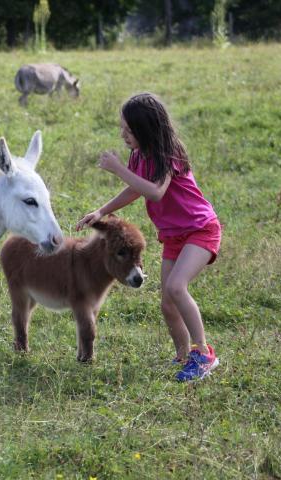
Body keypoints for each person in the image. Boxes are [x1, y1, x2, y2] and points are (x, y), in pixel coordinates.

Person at [75, 92, 222, 382]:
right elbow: (136, 189)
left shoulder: (169, 154)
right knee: (168, 303)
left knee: (177, 288)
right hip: (173, 235)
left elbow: (155, 191)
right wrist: (101, 211)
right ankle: (184, 357)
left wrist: (118, 169)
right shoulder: (139, 155)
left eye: (129, 130)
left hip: (200, 229)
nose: (123, 135)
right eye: (123, 129)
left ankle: (204, 355)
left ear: (146, 129)